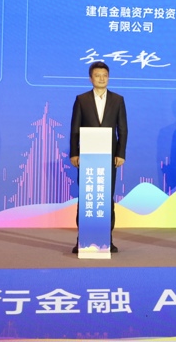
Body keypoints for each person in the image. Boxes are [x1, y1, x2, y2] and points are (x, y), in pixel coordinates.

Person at [69, 61, 128, 253]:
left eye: (105, 75)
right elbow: (75, 129)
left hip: (109, 157)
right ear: (90, 78)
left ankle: (107, 239)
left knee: (106, 198)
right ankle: (82, 240)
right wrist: (74, 152)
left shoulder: (118, 100)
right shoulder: (81, 99)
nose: (101, 79)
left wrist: (120, 153)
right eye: (97, 75)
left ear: (108, 77)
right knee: (86, 198)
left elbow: (123, 129)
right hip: (87, 156)